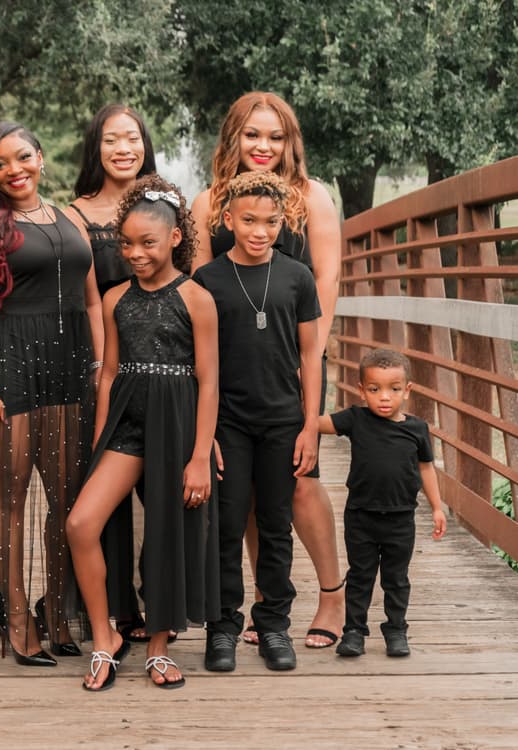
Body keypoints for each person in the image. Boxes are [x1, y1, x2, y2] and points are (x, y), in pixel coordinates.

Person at [0, 121, 104, 666]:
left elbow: (90, 302)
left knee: (66, 498)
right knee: (8, 497)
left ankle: (56, 612)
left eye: (22, 157)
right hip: (8, 365)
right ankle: (17, 621)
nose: (14, 170)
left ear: (40, 158)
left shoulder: (67, 220)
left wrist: (101, 368)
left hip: (68, 369)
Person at [191, 91, 343, 648]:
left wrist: (307, 361)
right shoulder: (210, 201)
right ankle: (262, 606)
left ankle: (332, 595)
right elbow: (203, 289)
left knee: (299, 483)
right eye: (253, 134)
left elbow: (325, 279)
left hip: (296, 353)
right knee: (246, 490)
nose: (264, 146)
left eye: (275, 136)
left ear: (290, 142)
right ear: (234, 137)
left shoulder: (312, 197)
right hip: (232, 369)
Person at [66, 175, 220, 691]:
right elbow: (108, 373)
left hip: (176, 423)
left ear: (175, 238)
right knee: (82, 525)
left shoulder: (197, 298)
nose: (133, 253)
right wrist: (100, 438)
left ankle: (157, 646)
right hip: (127, 423)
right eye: (125, 243)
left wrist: (200, 454)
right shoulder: (114, 300)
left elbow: (209, 380)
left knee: (166, 536)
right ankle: (105, 637)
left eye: (146, 243)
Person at [194, 170, 321, 673]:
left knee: (275, 524)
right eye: (248, 220)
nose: (260, 231)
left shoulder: (297, 277)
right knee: (225, 526)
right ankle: (222, 627)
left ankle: (273, 625)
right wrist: (205, 437)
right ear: (228, 219)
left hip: (283, 422)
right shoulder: (208, 281)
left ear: (283, 223)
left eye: (270, 222)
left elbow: (311, 355)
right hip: (228, 424)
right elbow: (197, 365)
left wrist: (310, 425)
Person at [64, 104, 162, 643]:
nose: (123, 148)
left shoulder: (166, 205)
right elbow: (86, 302)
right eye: (110, 139)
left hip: (168, 368)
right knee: (108, 486)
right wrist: (106, 368)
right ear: (94, 149)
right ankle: (118, 607)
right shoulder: (76, 214)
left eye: (132, 137)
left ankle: (164, 597)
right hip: (106, 365)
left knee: (165, 487)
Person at [318, 348, 447, 658]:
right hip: (361, 515)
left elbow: (426, 467)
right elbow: (316, 423)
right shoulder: (356, 419)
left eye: (394, 389)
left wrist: (438, 506)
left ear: (407, 391)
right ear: (362, 390)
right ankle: (354, 632)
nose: (384, 397)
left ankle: (396, 630)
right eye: (374, 390)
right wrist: (287, 406)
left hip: (401, 518)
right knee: (360, 575)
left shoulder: (416, 429)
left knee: (396, 578)